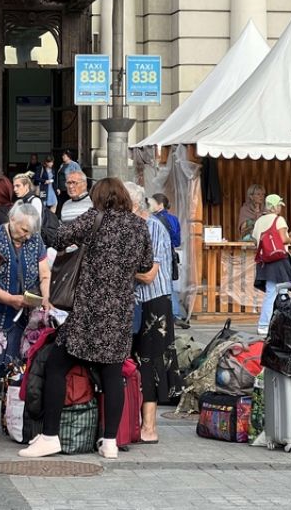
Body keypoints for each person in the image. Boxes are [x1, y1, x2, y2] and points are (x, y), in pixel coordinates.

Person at [20, 178, 153, 460]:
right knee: (112, 374)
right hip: (119, 312)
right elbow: (144, 264)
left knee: (56, 365)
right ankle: (110, 442)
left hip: (88, 310)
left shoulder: (95, 217)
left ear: (99, 197)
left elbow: (59, 238)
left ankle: (50, 436)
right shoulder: (139, 225)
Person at [126, 182, 180, 437]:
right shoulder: (130, 227)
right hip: (133, 302)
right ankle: (133, 423)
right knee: (132, 361)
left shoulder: (154, 227)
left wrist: (117, 269)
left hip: (154, 301)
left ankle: (150, 426)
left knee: (150, 362)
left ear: (135, 205)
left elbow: (149, 276)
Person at [0, 203, 50, 381]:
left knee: (17, 376)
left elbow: (45, 274)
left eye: (31, 232)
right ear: (12, 219)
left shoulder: (35, 239)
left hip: (23, 321)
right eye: (24, 230)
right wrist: (10, 299)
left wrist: (46, 297)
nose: (28, 236)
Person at [252, 194, 291, 336]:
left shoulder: (259, 221)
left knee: (278, 292)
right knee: (277, 292)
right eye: (279, 205)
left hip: (265, 261)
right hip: (279, 260)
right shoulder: (279, 220)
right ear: (275, 206)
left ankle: (277, 324)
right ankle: (264, 325)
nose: (280, 208)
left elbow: (256, 241)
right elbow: (284, 239)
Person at [150, 193, 184, 323]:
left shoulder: (153, 219)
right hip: (170, 254)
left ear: (160, 205)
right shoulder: (174, 219)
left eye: (151, 203)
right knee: (169, 283)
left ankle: (161, 314)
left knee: (154, 283)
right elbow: (177, 241)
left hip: (155, 254)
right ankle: (175, 314)